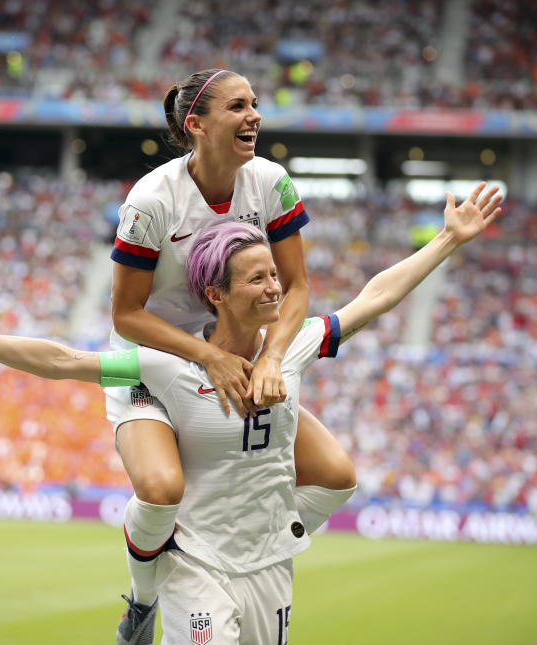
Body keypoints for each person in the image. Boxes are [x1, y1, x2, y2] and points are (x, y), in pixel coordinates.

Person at [0, 183, 501, 643]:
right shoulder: (170, 366)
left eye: (274, 274)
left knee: (338, 475)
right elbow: (64, 360)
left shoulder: (289, 349)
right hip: (195, 562)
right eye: (258, 279)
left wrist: (447, 241)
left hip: (269, 561)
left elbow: (375, 297)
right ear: (215, 294)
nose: (275, 288)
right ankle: (144, 598)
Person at [107, 68, 356, 644]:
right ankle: (144, 602)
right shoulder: (151, 200)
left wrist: (269, 360)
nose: (255, 116)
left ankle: (240, 547)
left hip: (237, 357)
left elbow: (296, 288)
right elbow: (126, 315)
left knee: (336, 475)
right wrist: (205, 356)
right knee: (162, 488)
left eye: (256, 104)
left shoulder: (271, 182)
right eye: (238, 106)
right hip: (161, 363)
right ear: (196, 124)